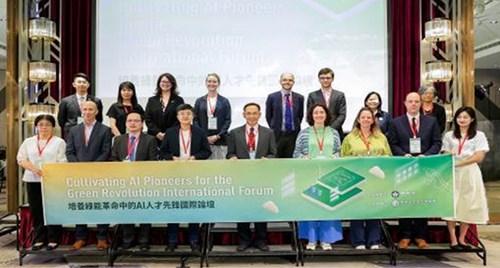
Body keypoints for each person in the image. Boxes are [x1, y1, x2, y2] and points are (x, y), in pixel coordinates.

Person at [388, 92, 442, 249]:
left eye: (416, 101)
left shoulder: (431, 122)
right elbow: (393, 143)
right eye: (410, 101)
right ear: (405, 103)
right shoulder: (395, 122)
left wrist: (426, 155)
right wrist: (403, 154)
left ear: (420, 103)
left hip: (424, 167)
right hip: (404, 167)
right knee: (405, 200)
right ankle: (404, 236)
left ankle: (420, 236)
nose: (413, 104)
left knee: (421, 200)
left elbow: (437, 143)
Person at [160, 104, 211, 253]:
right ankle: (172, 241)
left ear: (193, 116)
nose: (185, 116)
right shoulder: (170, 132)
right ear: (177, 117)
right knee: (173, 207)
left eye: (188, 114)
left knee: (193, 208)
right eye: (182, 114)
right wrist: (172, 158)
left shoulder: (200, 132)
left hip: (193, 174)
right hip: (174, 175)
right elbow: (162, 152)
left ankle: (194, 241)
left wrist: (195, 157)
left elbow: (206, 152)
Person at [226, 103, 277, 252]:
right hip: (242, 177)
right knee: (243, 209)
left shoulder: (268, 133)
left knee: (261, 208)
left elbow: (274, 153)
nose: (252, 116)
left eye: (255, 113)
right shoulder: (234, 133)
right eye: (249, 113)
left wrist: (268, 160)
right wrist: (233, 157)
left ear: (260, 115)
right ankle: (244, 240)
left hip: (262, 177)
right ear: (244, 115)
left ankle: (261, 240)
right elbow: (230, 153)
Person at [293, 103, 343, 251]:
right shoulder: (303, 133)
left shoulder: (334, 133)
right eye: (316, 113)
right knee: (311, 207)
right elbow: (296, 153)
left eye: (322, 112)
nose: (319, 115)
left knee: (328, 207)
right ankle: (312, 239)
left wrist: (335, 156)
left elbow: (338, 152)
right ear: (311, 116)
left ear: (326, 115)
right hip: (309, 177)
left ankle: (327, 239)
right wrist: (302, 156)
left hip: (330, 177)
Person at [341, 107, 392, 250]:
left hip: (376, 180)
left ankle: (374, 241)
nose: (366, 120)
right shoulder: (349, 138)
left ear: (373, 120)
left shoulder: (381, 137)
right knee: (357, 210)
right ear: (358, 119)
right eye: (363, 117)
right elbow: (343, 159)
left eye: (369, 117)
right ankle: (358, 242)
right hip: (356, 179)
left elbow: (389, 156)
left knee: (374, 209)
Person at [65, 101, 112, 250]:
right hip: (79, 175)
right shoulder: (73, 130)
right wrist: (79, 167)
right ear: (81, 111)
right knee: (81, 206)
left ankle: (102, 237)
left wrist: (91, 168)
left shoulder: (105, 130)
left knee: (100, 206)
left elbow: (106, 152)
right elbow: (70, 152)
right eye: (84, 109)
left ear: (96, 111)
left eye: (91, 109)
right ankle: (80, 237)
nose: (87, 112)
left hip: (98, 173)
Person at [441, 107, 489, 250]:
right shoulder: (449, 135)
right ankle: (453, 239)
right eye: (459, 117)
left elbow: (479, 157)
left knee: (468, 204)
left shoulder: (479, 135)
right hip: (452, 172)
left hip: (469, 172)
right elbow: (444, 151)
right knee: (452, 204)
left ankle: (462, 238)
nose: (462, 120)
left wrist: (460, 162)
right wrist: (448, 154)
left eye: (465, 117)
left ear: (472, 119)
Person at [110, 111, 158, 252]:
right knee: (127, 210)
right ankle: (127, 240)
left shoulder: (150, 139)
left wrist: (139, 170)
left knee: (144, 211)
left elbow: (153, 161)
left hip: (143, 182)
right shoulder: (118, 140)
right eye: (130, 120)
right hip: (124, 181)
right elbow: (113, 159)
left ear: (141, 124)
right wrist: (121, 166)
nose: (133, 123)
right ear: (125, 123)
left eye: (136, 121)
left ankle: (144, 240)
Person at [17, 114, 66, 251]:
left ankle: (53, 238)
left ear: (53, 127)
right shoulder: (28, 142)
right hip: (32, 179)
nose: (44, 127)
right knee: (36, 210)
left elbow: (62, 161)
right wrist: (34, 169)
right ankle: (39, 238)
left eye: (47, 125)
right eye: (41, 125)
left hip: (52, 180)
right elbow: (21, 158)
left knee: (53, 209)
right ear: (37, 126)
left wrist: (49, 172)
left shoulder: (59, 142)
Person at [265, 72, 304, 158]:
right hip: (277, 135)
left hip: (293, 135)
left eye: (290, 80)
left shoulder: (299, 98)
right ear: (280, 81)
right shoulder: (272, 97)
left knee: (292, 162)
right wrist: (274, 127)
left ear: (293, 82)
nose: (287, 82)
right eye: (284, 80)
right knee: (276, 161)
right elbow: (268, 116)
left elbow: (300, 116)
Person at [193, 73, 232, 159]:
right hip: (203, 141)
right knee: (205, 169)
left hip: (220, 140)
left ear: (218, 83)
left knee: (220, 168)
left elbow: (227, 120)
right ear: (206, 83)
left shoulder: (224, 101)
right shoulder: (199, 101)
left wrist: (218, 136)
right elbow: (195, 120)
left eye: (214, 82)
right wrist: (203, 136)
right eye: (209, 81)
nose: (211, 84)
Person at [57, 73, 103, 138]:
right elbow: (61, 119)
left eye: (84, 82)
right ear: (74, 84)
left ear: (88, 85)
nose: (82, 84)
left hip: (91, 132)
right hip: (71, 132)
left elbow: (99, 118)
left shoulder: (96, 100)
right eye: (79, 82)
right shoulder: (66, 101)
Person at [145, 73, 185, 145]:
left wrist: (168, 133)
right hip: (154, 136)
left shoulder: (179, 100)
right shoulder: (152, 100)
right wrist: (157, 133)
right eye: (163, 81)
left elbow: (180, 118)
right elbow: (148, 118)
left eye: (168, 82)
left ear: (172, 84)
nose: (165, 84)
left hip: (172, 136)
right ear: (159, 83)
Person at [306, 67, 346, 139]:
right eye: (322, 78)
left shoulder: (340, 95)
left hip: (335, 133)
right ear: (319, 79)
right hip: (317, 134)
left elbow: (342, 115)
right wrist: (320, 129)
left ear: (332, 79)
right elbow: (309, 115)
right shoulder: (312, 95)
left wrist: (330, 130)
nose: (325, 80)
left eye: (328, 78)